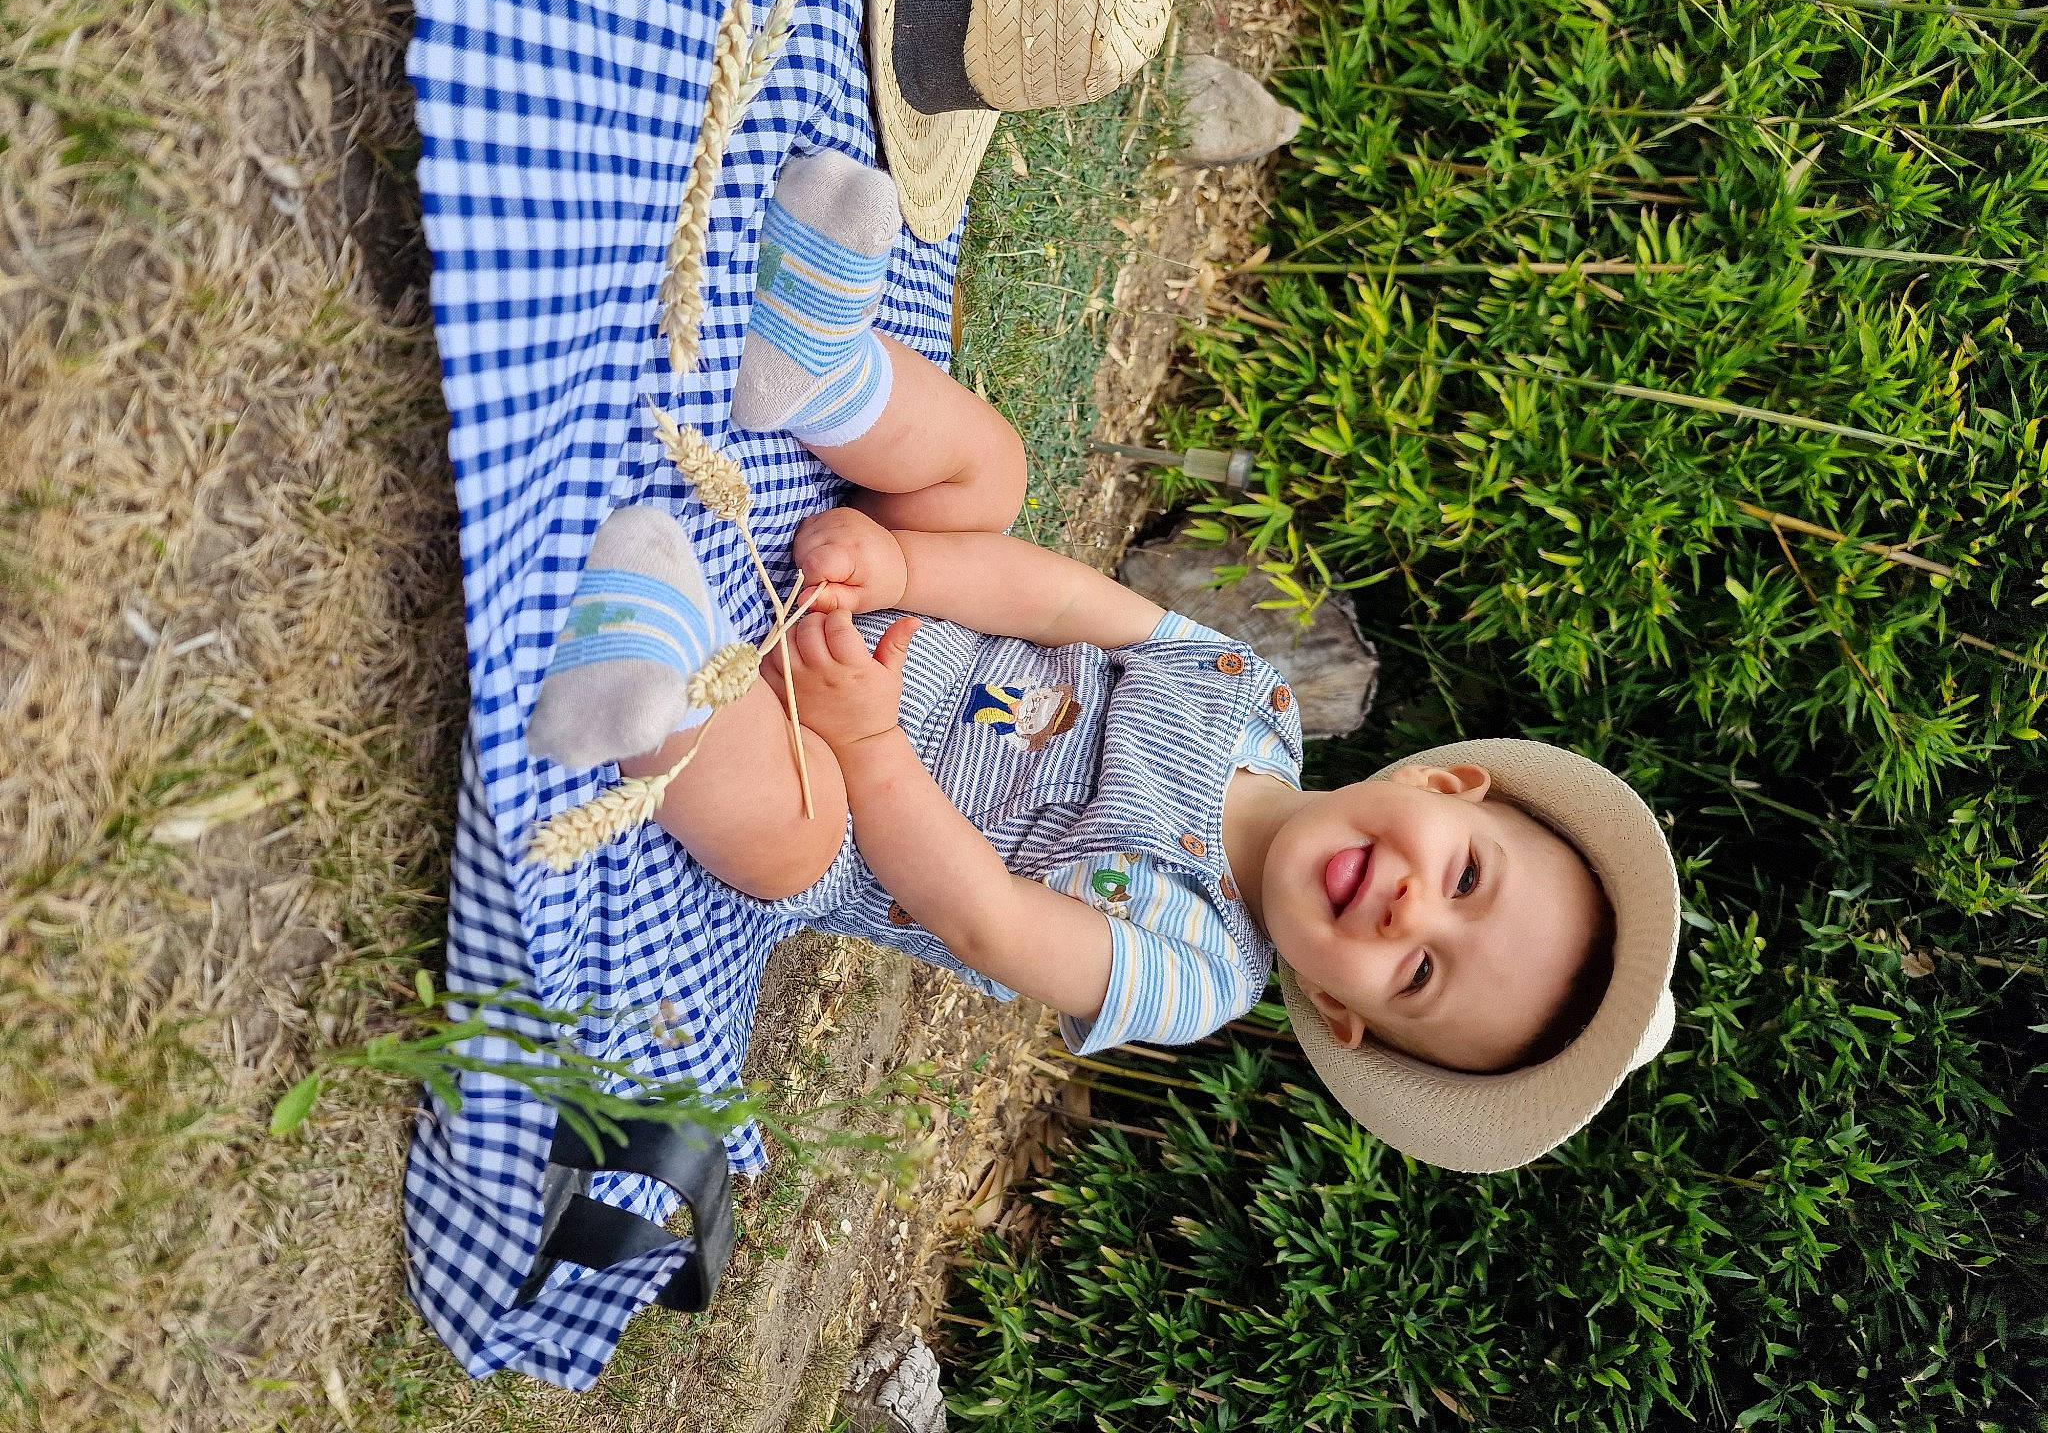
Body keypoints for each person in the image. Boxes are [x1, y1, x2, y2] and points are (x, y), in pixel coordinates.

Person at [527, 152, 1682, 1172]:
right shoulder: (1254, 701)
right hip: (869, 606)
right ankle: (812, 367)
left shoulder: (1191, 977)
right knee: (990, 477)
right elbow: (1063, 600)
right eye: (1465, 878)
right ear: (1442, 785)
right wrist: (900, 566)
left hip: (848, 788)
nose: (1405, 909)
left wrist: (867, 741)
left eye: (1419, 976)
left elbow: (983, 918)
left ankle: (647, 671)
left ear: (1339, 1012)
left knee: (786, 839)